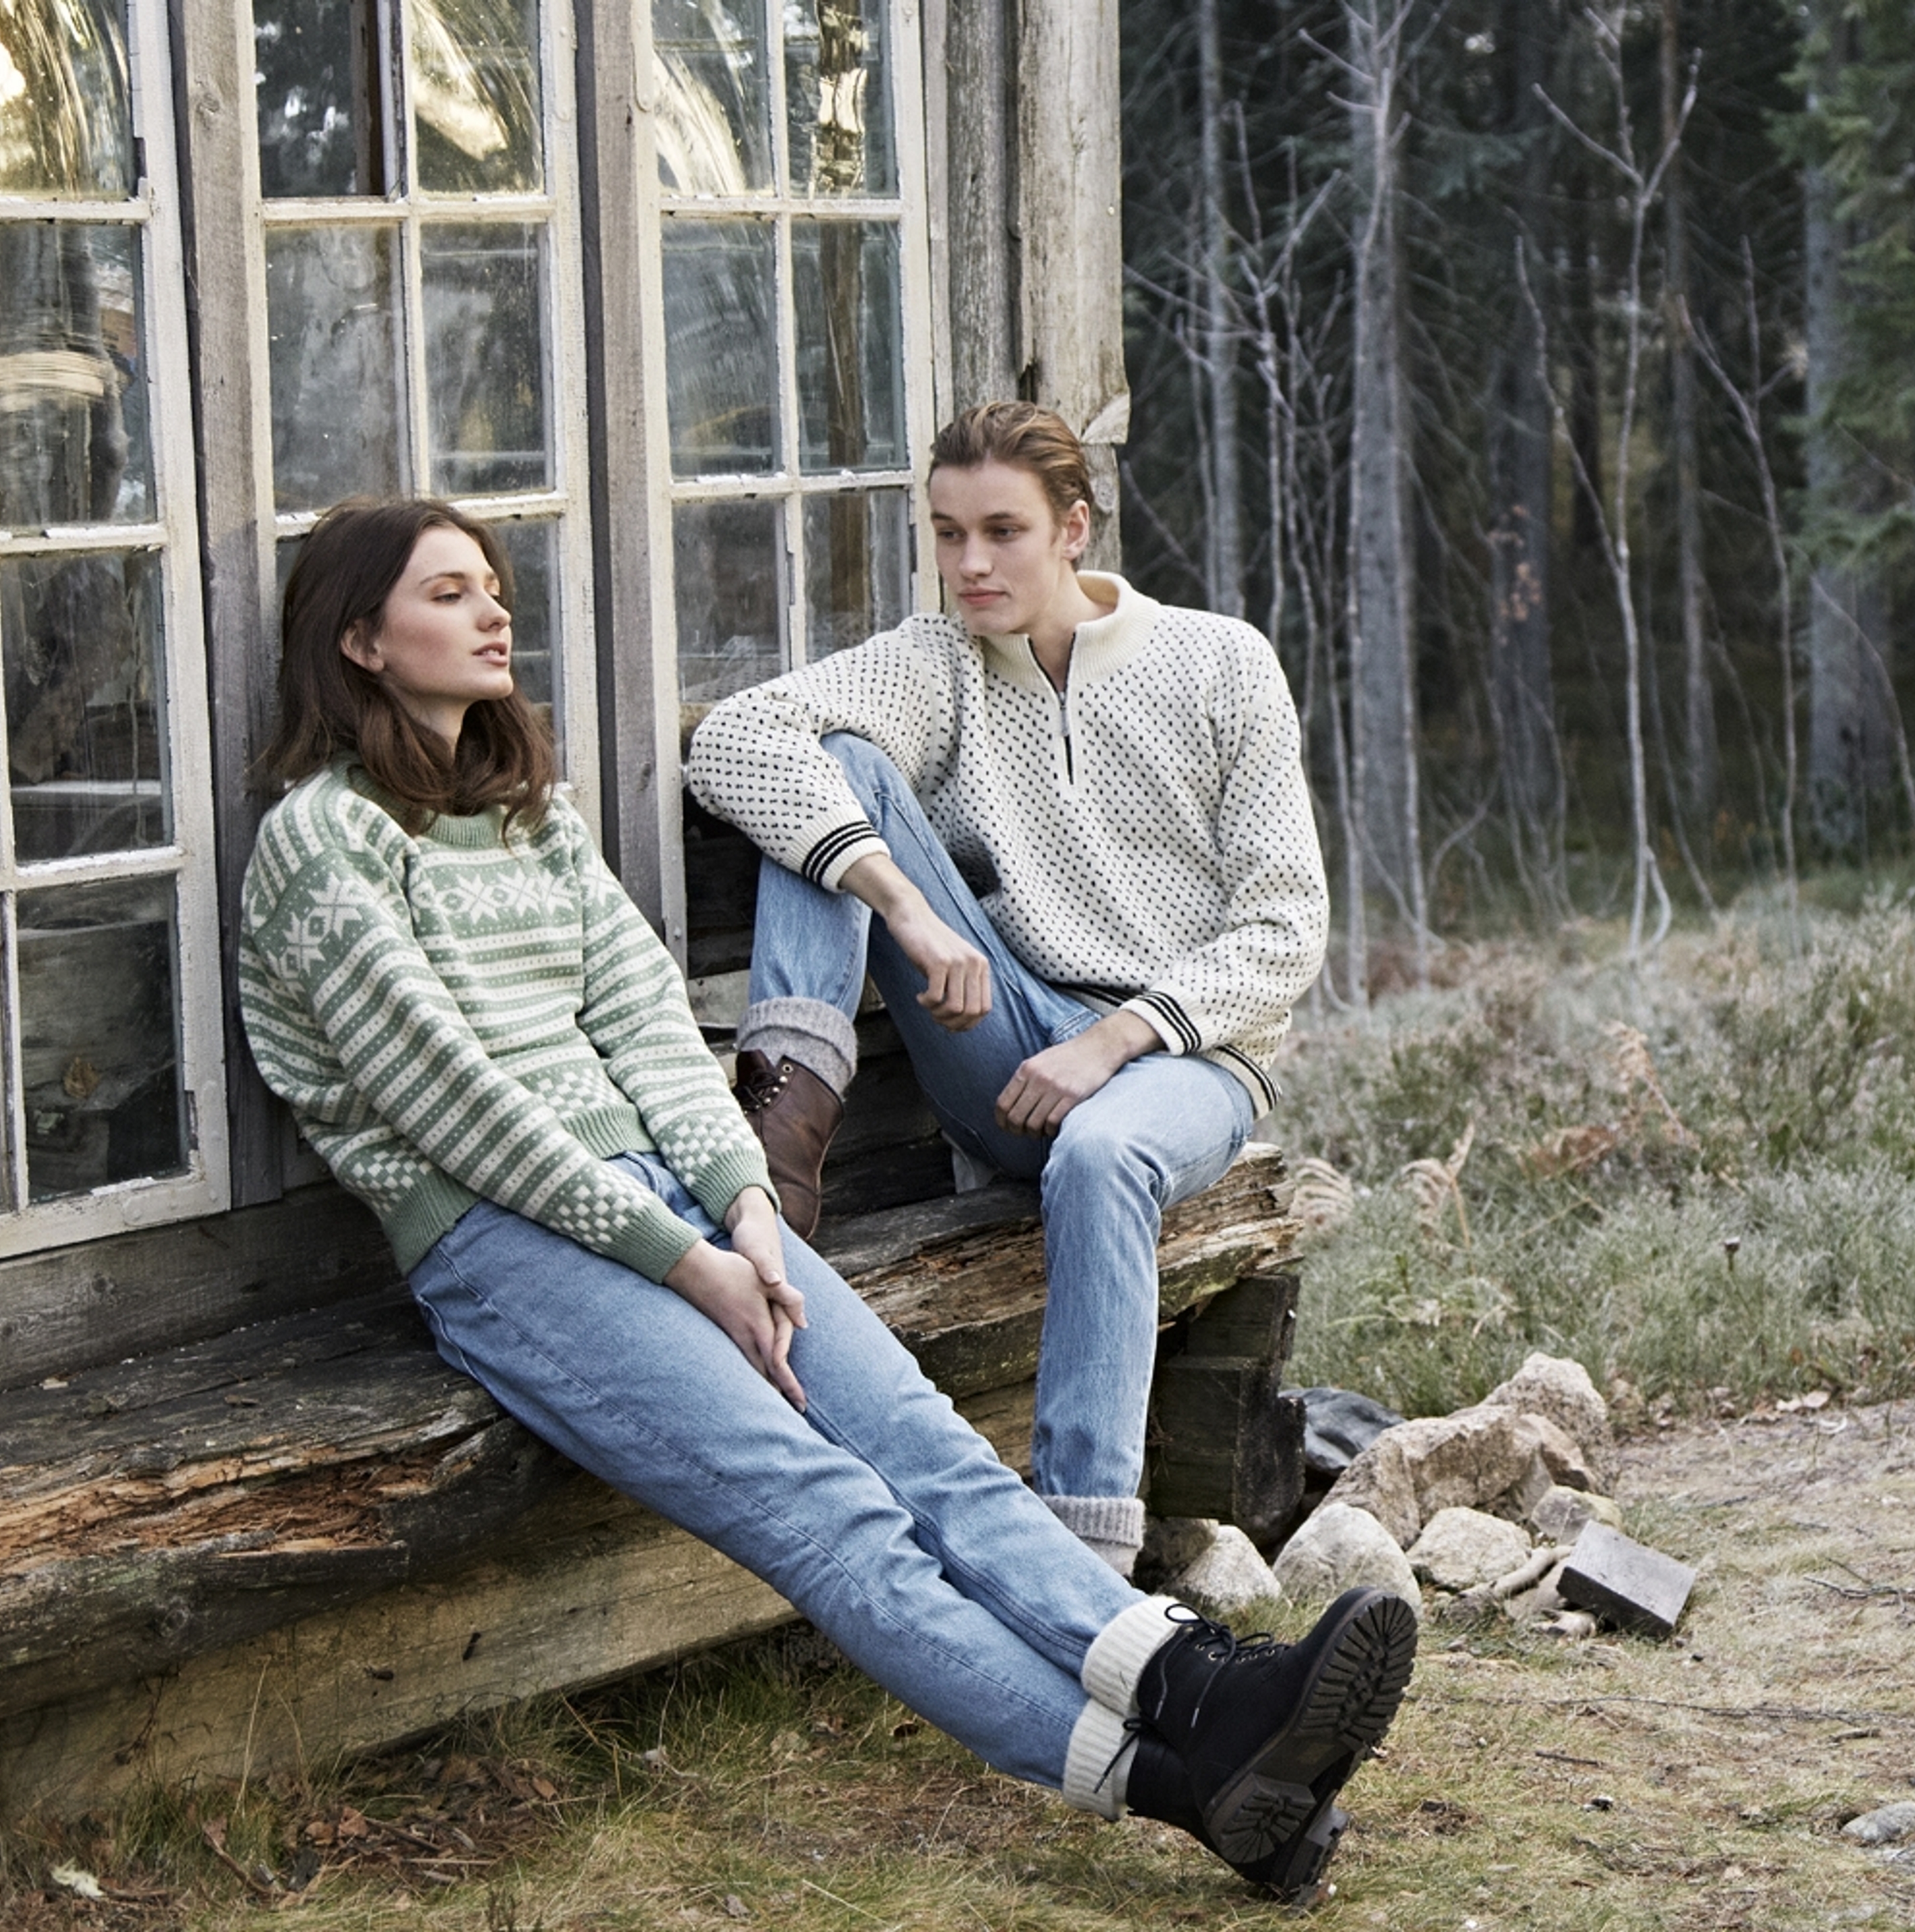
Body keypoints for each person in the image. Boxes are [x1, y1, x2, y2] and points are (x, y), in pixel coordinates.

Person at [236, 496, 1413, 1906]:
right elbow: (457, 1111)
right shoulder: (322, 847)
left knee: (925, 1446)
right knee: (832, 1516)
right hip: (508, 1244)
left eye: (493, 585)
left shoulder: (525, 822)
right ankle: (1186, 1781)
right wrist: (691, 1262)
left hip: (678, 1204)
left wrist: (743, 1207)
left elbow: (650, 1027)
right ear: (360, 641)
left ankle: (1196, 1688)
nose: (494, 612)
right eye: (448, 594)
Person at [686, 402, 1330, 1578]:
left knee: (1102, 1155)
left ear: (1072, 529)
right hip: (1011, 1044)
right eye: (946, 534)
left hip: (1187, 1063)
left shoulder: (1222, 661)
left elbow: (1287, 928)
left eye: (1002, 532)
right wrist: (909, 907)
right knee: (838, 764)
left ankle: (1081, 1559)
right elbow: (739, 737)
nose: (970, 565)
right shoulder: (940, 661)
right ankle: (775, 1163)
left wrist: (1120, 1042)